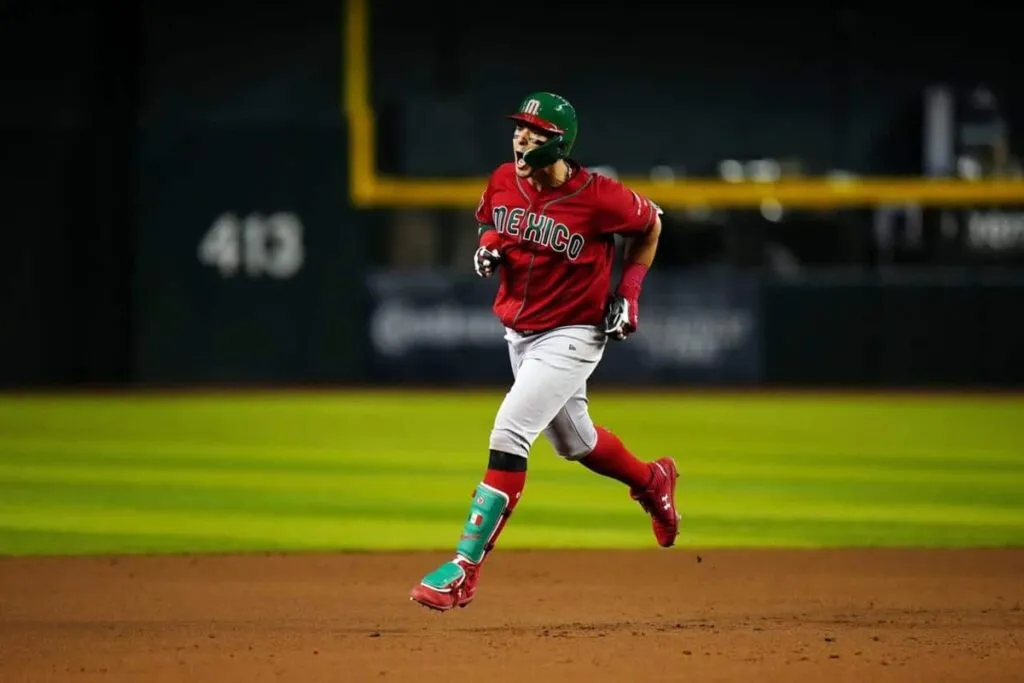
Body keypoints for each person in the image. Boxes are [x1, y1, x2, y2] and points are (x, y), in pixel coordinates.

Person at [410, 91, 681, 612]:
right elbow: (491, 221)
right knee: (574, 442)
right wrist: (489, 244)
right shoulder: (502, 180)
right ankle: (653, 479)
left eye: (534, 132)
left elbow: (651, 226)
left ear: (558, 143)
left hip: (575, 332)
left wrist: (629, 293)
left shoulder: (599, 197)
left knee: (509, 432)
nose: (521, 138)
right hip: (522, 332)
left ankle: (463, 571)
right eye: (519, 129)